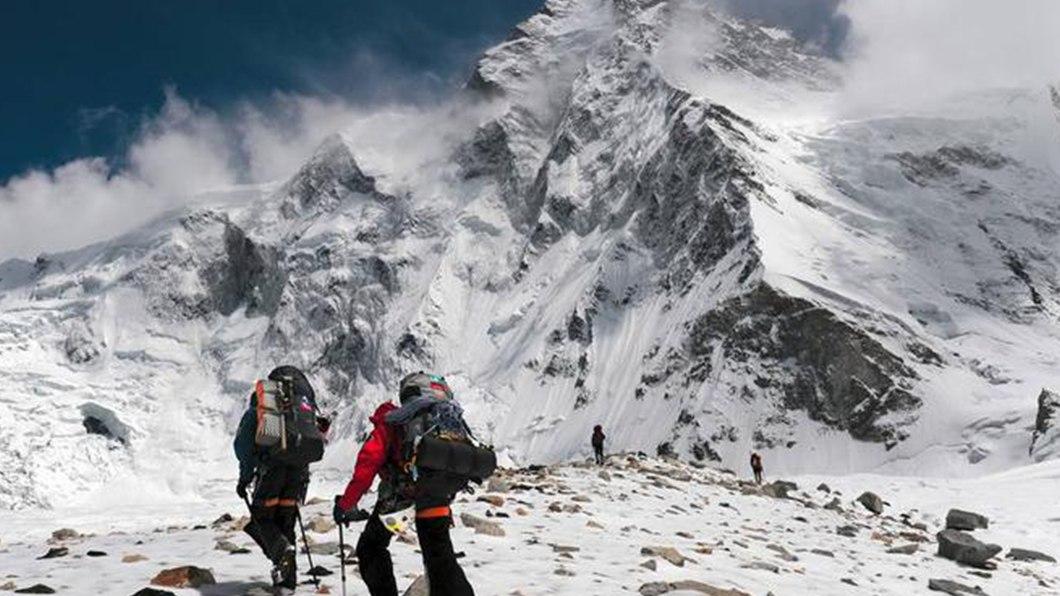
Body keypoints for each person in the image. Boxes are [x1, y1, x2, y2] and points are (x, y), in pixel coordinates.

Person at [333, 372, 478, 596]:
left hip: (401, 499)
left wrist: (345, 504)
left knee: (371, 547)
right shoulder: (442, 420)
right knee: (440, 557)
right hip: (438, 493)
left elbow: (366, 469)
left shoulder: (390, 422)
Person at [234, 366, 328, 591]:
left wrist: (244, 478)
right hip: (299, 475)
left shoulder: (263, 408)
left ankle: (281, 553)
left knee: (262, 517)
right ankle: (288, 583)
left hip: (271, 471)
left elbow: (243, 446)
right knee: (286, 523)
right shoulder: (305, 409)